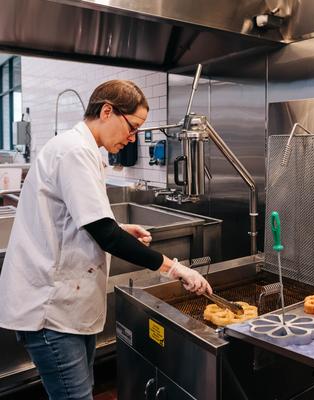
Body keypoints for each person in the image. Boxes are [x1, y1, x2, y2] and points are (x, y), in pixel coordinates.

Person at [0, 80, 212, 400]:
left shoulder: (85, 151)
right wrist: (176, 269)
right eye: (133, 127)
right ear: (107, 111)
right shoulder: (73, 151)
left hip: (67, 307)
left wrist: (120, 227)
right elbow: (105, 235)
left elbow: (83, 219)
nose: (132, 137)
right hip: (50, 308)